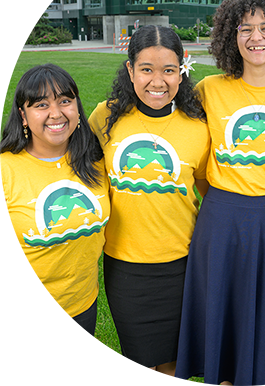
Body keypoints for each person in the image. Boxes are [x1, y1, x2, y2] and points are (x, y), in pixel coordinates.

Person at [174, 0, 265, 386]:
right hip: (220, 218)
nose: (256, 37)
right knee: (220, 311)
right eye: (245, 28)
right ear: (230, 37)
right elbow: (189, 147)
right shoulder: (208, 90)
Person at [88, 25, 210, 386]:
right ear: (130, 71)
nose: (158, 81)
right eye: (146, 69)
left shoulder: (197, 127)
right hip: (125, 266)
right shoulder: (103, 118)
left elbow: (211, 188)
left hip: (180, 266)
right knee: (138, 363)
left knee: (172, 364)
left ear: (182, 70)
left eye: (169, 70)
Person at [0, 64, 110, 386]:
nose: (56, 113)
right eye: (41, 104)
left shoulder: (95, 163)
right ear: (23, 116)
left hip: (82, 305)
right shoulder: (6, 169)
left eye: (65, 100)